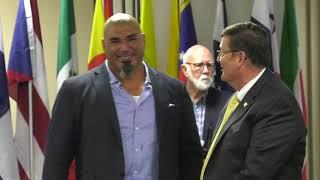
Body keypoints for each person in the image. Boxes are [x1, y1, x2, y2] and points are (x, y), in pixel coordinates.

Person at [43, 13, 202, 180]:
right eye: (115, 41)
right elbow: (56, 160)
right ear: (104, 45)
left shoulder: (174, 90)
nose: (125, 48)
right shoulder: (74, 91)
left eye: (131, 39)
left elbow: (190, 155)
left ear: (143, 40)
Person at [200, 22, 306, 180]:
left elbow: (254, 175)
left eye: (221, 53)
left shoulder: (278, 105)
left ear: (240, 58)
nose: (218, 59)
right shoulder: (238, 97)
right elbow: (226, 156)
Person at [181, 45, 231, 157]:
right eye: (199, 65)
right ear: (185, 70)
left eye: (209, 65)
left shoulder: (229, 103)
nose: (205, 71)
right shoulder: (172, 100)